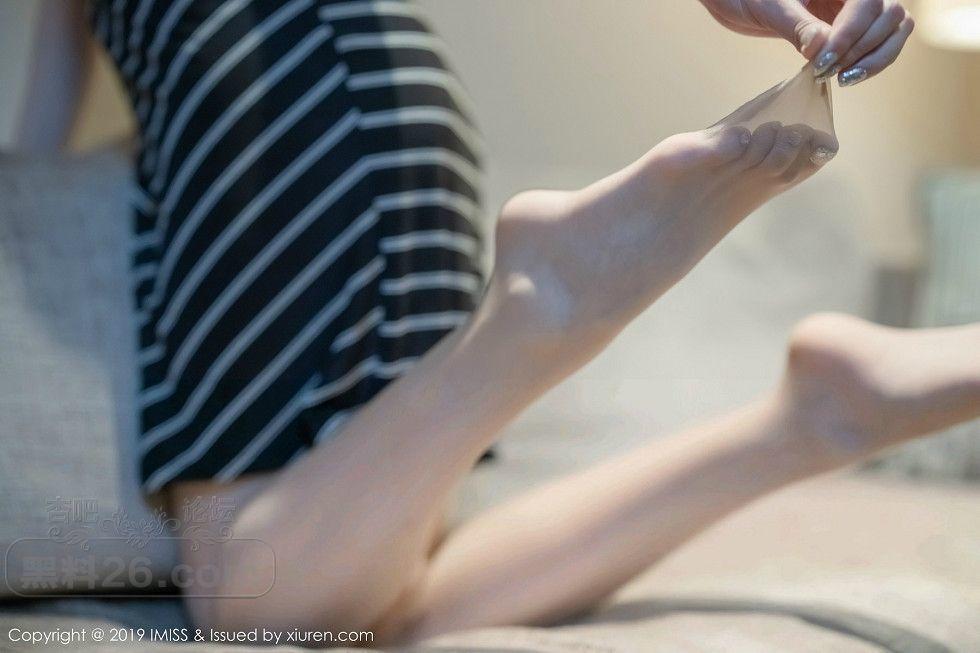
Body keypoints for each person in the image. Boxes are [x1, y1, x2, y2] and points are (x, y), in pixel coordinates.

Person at [20, 0, 978, 646]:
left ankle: (529, 317)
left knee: (254, 598)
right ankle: (813, 420)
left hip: (259, 108)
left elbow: (55, 83)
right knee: (379, 595)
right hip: (399, 96)